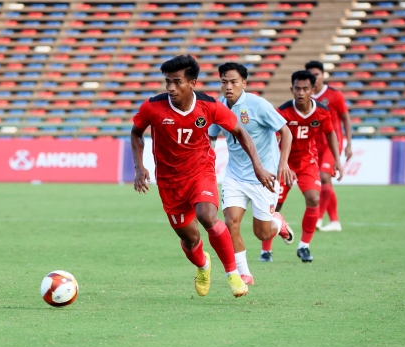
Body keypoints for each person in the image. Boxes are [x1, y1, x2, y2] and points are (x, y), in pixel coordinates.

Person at [130, 55, 276, 298]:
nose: (170, 88)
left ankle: (233, 274)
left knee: (207, 215)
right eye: (167, 82)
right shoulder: (152, 107)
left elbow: (239, 130)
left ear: (193, 83)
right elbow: (136, 134)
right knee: (190, 238)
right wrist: (139, 167)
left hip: (200, 172)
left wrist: (258, 166)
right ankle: (203, 266)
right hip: (169, 181)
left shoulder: (209, 106)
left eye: (177, 82)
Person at [208, 62, 294, 285]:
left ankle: (279, 224)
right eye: (224, 82)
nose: (228, 86)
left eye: (234, 82)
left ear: (244, 83)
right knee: (230, 223)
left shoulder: (258, 105)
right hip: (235, 176)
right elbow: (210, 137)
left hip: (264, 178)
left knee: (262, 233)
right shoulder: (218, 107)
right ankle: (244, 273)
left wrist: (283, 163)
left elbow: (286, 131)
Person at [275, 70, 343, 262]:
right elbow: (271, 136)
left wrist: (337, 159)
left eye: (305, 89)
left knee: (314, 198)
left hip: (307, 162)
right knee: (274, 205)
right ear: (292, 89)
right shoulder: (282, 112)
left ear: (313, 90)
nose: (301, 93)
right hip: (285, 164)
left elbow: (330, 133)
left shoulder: (322, 111)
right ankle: (266, 249)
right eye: (297, 88)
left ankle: (304, 246)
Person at [305, 60, 353, 232]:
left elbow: (346, 118)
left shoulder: (334, 95)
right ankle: (335, 221)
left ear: (323, 75)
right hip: (313, 146)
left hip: (332, 144)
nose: (314, 78)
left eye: (317, 74)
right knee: (324, 182)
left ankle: (318, 218)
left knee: (324, 177)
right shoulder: (306, 97)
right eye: (311, 75)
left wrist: (348, 144)